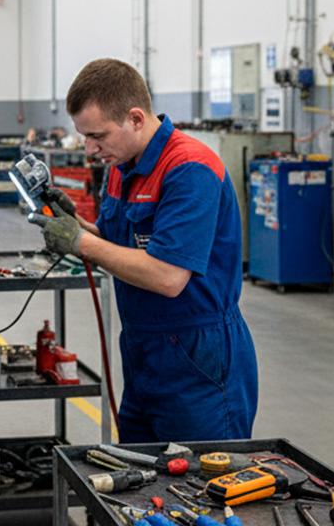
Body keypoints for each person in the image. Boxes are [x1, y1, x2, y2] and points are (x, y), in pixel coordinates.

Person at [28, 58, 258, 443]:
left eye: (98, 136)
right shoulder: (122, 166)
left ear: (135, 118)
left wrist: (80, 242)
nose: (90, 149)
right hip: (142, 352)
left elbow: (168, 276)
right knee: (139, 472)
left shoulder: (190, 169)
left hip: (197, 359)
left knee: (202, 475)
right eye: (84, 136)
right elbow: (116, 245)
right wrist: (77, 225)